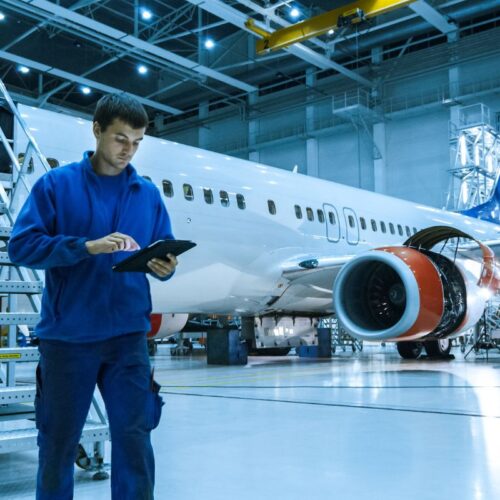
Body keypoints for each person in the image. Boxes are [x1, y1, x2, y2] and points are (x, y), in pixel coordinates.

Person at [8, 93, 177, 500]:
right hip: (69, 339)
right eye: (121, 138)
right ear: (97, 130)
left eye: (137, 142)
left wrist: (166, 266)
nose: (128, 150)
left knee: (135, 441)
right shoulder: (56, 185)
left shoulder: (147, 195)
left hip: (128, 339)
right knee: (58, 444)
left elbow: (164, 247)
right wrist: (85, 247)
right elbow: (22, 247)